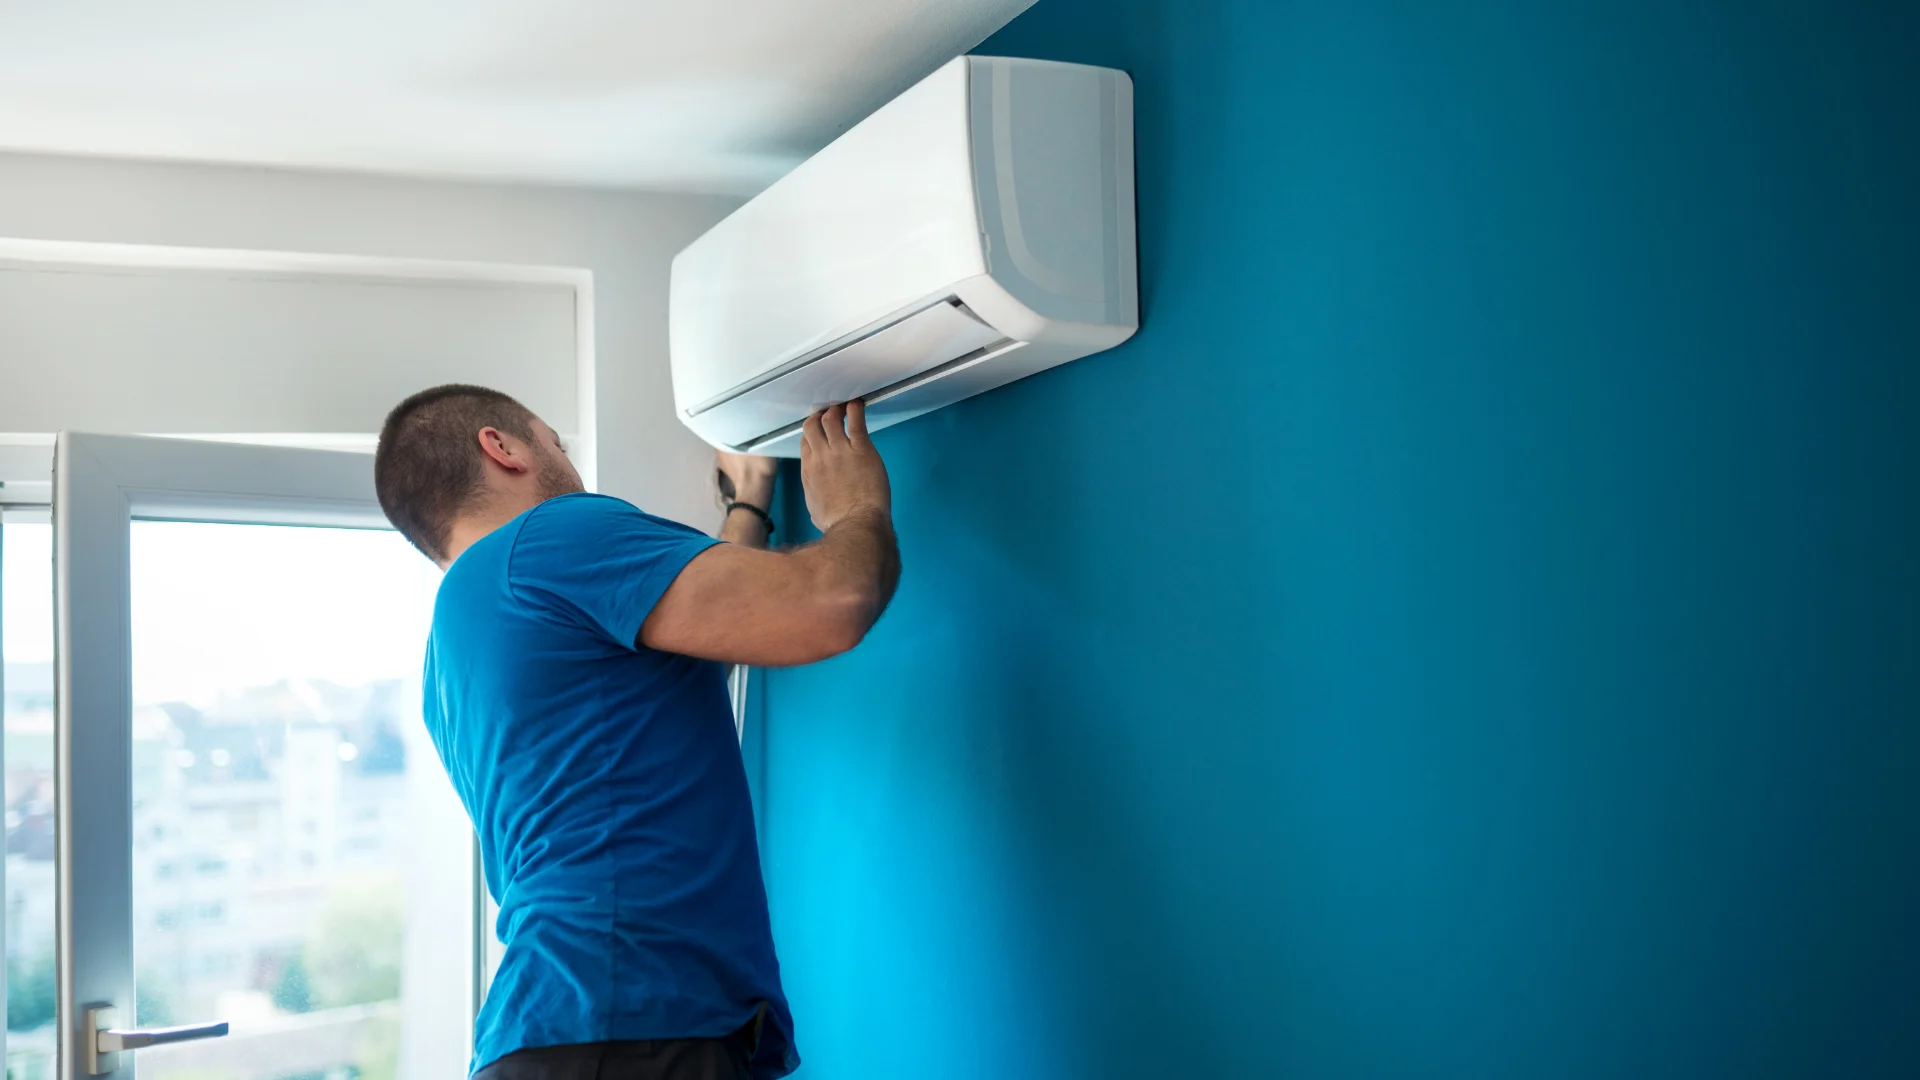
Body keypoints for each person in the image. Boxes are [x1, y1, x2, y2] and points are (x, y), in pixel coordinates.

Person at [372, 384, 900, 1080]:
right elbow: (835, 602)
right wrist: (856, 507)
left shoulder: (453, 653)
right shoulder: (549, 537)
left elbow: (701, 635)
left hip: (562, 1033)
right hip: (626, 1022)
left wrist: (747, 504)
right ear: (500, 447)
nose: (565, 457)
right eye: (554, 439)